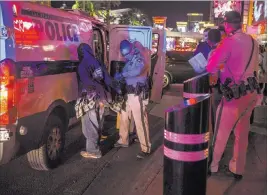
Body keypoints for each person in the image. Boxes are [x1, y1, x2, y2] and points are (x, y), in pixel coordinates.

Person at [206, 11, 259, 180]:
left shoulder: (228, 42)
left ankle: (213, 166)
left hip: (233, 96)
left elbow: (210, 66)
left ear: (227, 25)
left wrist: (217, 68)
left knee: (221, 132)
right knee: (241, 134)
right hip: (250, 92)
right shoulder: (253, 41)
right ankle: (237, 169)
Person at [76, 43, 121, 159]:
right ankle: (96, 145)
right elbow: (107, 79)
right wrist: (116, 89)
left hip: (90, 98)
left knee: (89, 124)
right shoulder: (98, 63)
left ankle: (93, 151)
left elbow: (87, 82)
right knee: (98, 122)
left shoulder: (82, 65)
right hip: (101, 98)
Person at [113, 39, 151, 159]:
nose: (126, 57)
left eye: (126, 54)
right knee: (124, 116)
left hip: (137, 94)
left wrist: (123, 75)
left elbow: (137, 70)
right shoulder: (130, 59)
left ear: (131, 50)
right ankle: (123, 139)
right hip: (129, 93)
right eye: (124, 55)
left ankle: (145, 148)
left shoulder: (139, 58)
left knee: (140, 121)